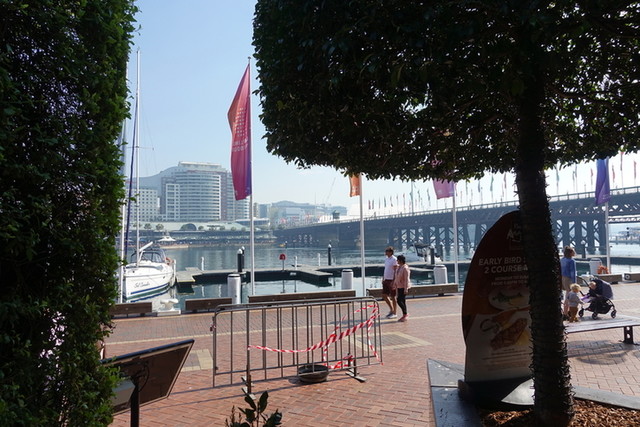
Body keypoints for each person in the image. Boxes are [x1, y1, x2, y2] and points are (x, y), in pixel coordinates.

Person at [394, 254, 411, 322]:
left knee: (399, 300)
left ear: (400, 260)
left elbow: (406, 279)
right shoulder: (399, 267)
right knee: (402, 301)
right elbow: (396, 276)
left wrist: (406, 288)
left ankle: (405, 313)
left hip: (403, 286)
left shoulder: (405, 268)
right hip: (399, 286)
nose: (397, 261)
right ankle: (404, 314)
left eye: (398, 260)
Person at [382, 246, 398, 318]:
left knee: (393, 296)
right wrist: (383, 278)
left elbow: (395, 271)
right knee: (384, 295)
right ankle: (391, 309)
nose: (386, 252)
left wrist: (394, 280)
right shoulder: (386, 259)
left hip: (391, 280)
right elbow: (386, 269)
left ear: (391, 252)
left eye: (387, 251)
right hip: (386, 279)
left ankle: (394, 312)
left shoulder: (394, 259)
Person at [560, 246, 576, 316]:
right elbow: (573, 272)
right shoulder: (571, 261)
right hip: (569, 279)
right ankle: (566, 312)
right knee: (569, 295)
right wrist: (574, 283)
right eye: (573, 251)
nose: (574, 252)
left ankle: (566, 311)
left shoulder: (562, 260)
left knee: (567, 294)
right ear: (570, 253)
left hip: (562, 278)